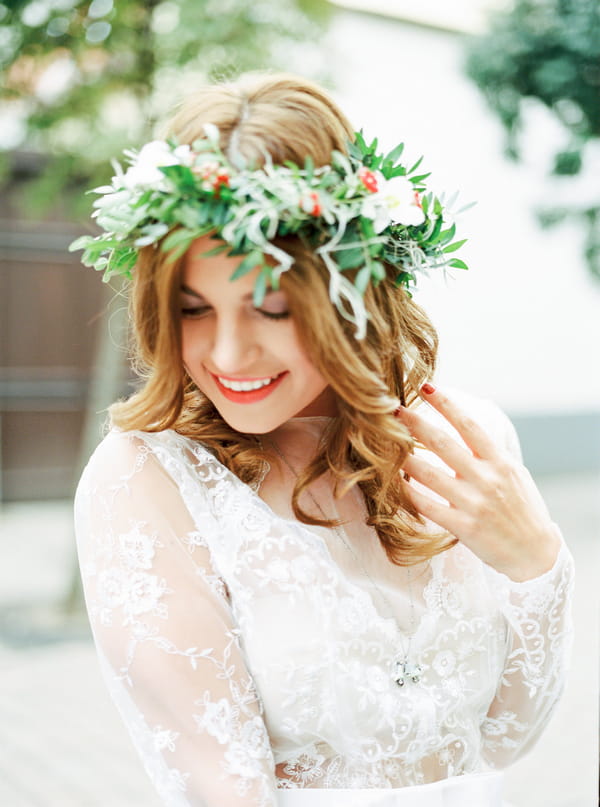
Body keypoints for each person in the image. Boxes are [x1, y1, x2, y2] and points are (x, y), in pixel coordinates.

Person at [72, 72, 574, 807]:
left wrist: (536, 559)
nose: (230, 353)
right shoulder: (145, 481)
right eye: (192, 308)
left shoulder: (465, 440)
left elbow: (504, 740)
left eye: (271, 306)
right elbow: (226, 789)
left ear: (350, 288)